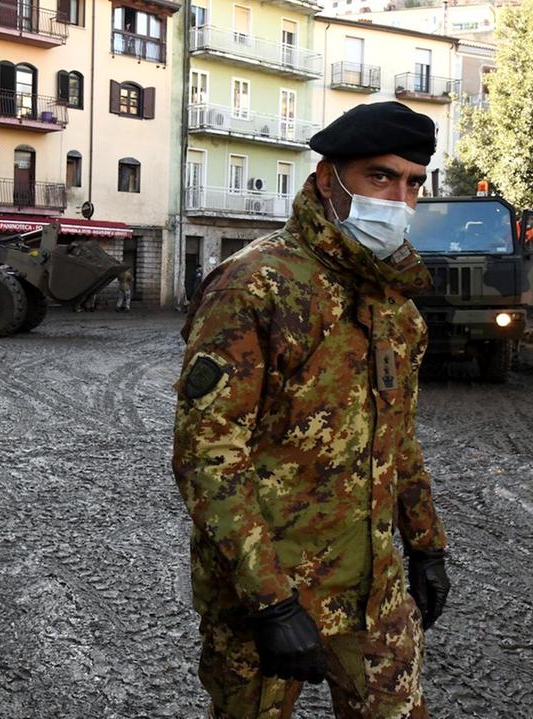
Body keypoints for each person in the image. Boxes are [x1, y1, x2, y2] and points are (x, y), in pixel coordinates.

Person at [171, 101, 449, 718]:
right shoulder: (257, 285)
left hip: (372, 588)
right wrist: (271, 602)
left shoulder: (397, 305)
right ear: (329, 179)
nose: (399, 198)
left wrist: (426, 546)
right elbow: (209, 457)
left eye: (413, 183)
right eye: (381, 176)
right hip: (265, 593)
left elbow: (398, 439)